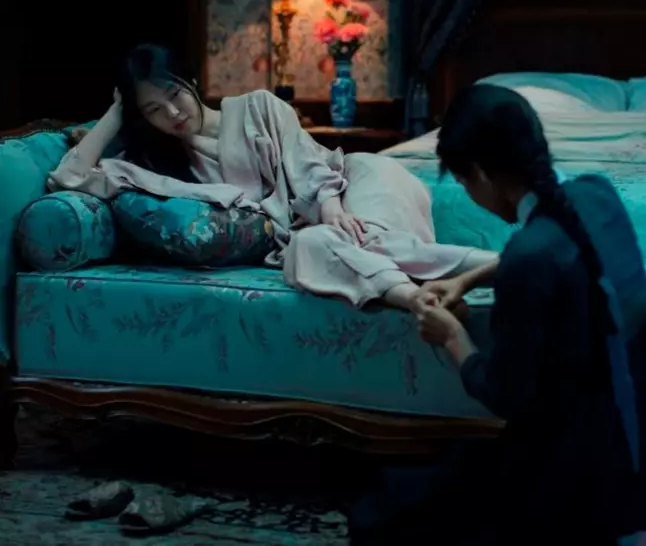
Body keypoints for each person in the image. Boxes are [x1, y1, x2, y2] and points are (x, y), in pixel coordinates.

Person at [349, 85, 645, 545]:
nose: (470, 194)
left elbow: (506, 394)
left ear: (482, 174)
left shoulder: (529, 260)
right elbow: (563, 247)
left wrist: (451, 336)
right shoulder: (595, 192)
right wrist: (468, 278)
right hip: (629, 437)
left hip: (574, 473)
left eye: (465, 183)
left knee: (380, 514)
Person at [48, 44, 497, 312]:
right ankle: (420, 299)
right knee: (308, 248)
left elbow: (309, 164)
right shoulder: (155, 167)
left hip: (357, 182)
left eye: (173, 95)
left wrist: (332, 208)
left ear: (191, 81)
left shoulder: (259, 106)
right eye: (152, 110)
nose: (172, 113)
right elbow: (67, 178)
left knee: (360, 235)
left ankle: (504, 267)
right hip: (307, 232)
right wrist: (116, 112)